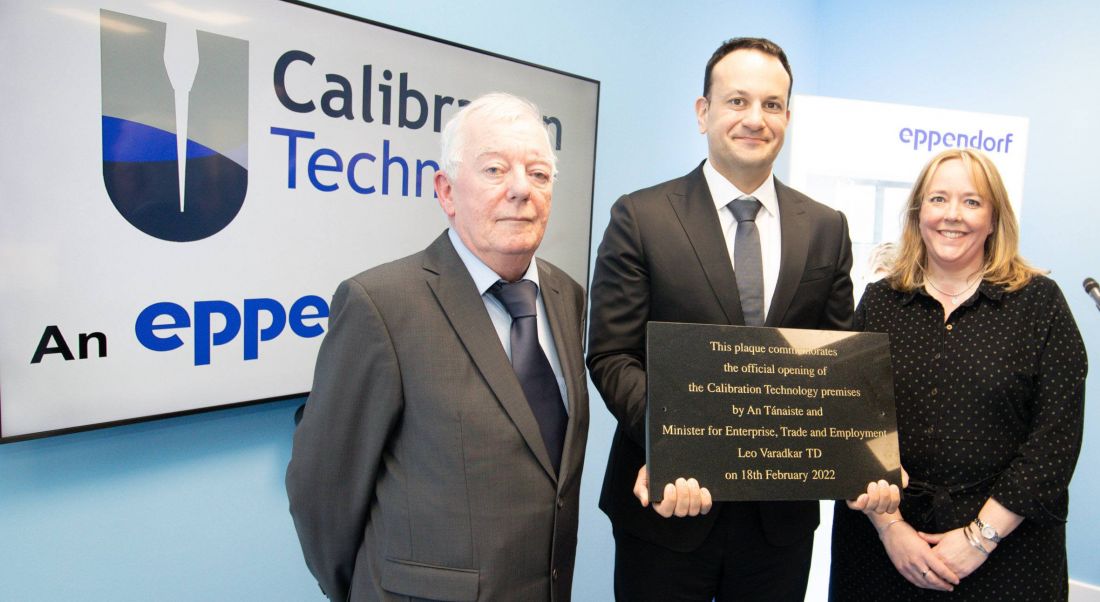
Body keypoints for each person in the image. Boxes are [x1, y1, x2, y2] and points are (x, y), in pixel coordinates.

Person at [286, 92, 589, 602]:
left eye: (538, 174)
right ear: (446, 191)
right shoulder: (380, 305)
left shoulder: (566, 297)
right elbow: (323, 492)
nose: (521, 189)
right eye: (495, 169)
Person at [587, 37, 855, 601]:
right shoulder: (641, 217)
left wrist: (862, 452)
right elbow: (612, 356)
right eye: (737, 101)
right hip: (666, 504)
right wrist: (678, 443)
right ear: (703, 112)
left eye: (772, 104)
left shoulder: (826, 227)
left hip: (779, 520)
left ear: (787, 116)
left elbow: (835, 367)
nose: (755, 119)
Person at [829, 148, 1087, 600]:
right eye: (938, 199)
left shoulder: (1040, 305)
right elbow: (849, 423)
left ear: (994, 219)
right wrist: (892, 530)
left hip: (1009, 554)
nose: (953, 215)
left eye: (971, 202)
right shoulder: (879, 303)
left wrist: (979, 539)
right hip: (883, 550)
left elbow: (1054, 443)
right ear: (918, 213)